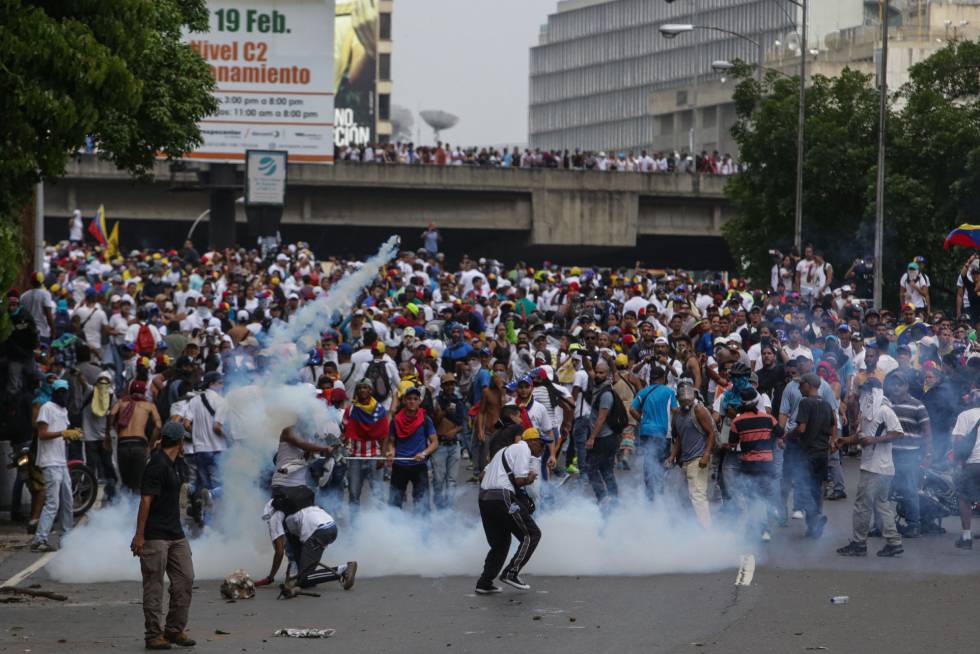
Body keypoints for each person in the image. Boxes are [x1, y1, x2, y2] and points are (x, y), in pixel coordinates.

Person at [131, 422, 196, 650]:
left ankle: (174, 630)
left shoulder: (176, 463)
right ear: (178, 442)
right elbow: (146, 501)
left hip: (176, 534)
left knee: (185, 579)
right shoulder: (157, 465)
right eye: (184, 440)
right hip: (155, 535)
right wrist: (139, 536)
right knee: (154, 586)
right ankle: (153, 635)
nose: (185, 444)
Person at [836, 378, 905, 558]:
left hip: (877, 467)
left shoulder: (884, 409)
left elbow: (898, 432)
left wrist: (874, 440)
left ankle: (859, 544)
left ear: (873, 392)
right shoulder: (867, 412)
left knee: (862, 505)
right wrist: (844, 440)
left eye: (864, 392)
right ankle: (894, 542)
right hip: (876, 466)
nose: (861, 395)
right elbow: (862, 437)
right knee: (882, 504)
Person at [475, 427, 545, 594]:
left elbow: (481, 477)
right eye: (541, 444)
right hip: (502, 497)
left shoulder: (502, 452)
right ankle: (511, 572)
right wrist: (529, 478)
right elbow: (520, 481)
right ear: (532, 441)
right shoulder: (523, 449)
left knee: (500, 544)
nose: (542, 449)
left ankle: (484, 583)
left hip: (485, 498)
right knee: (532, 534)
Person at [31, 379, 79, 552]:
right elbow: (42, 434)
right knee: (53, 502)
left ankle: (67, 535)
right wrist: (62, 433)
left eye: (65, 391)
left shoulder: (63, 410)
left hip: (61, 461)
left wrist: (71, 435)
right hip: (49, 461)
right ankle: (39, 538)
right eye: (60, 391)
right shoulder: (47, 408)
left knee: (68, 500)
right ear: (54, 392)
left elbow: (61, 435)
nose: (63, 394)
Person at [728, 388, 782, 541]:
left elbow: (732, 444)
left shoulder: (737, 421)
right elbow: (781, 433)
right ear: (758, 402)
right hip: (766, 463)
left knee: (752, 497)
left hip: (748, 465)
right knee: (765, 496)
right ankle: (767, 525)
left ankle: (756, 528)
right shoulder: (769, 418)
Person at [884, 370, 932, 538]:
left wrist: (927, 455)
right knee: (884, 492)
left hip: (909, 456)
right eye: (893, 384)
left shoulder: (917, 405)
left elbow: (927, 432)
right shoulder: (887, 405)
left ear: (906, 386)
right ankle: (882, 525)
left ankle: (913, 525)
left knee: (909, 491)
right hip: (889, 455)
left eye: (900, 384)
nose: (896, 387)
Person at [787, 373, 835, 539]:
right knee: (816, 489)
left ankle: (815, 516)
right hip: (822, 453)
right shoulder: (827, 405)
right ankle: (813, 528)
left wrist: (787, 436)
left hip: (807, 453)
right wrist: (831, 442)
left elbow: (801, 429)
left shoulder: (805, 402)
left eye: (801, 384)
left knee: (802, 487)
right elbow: (832, 428)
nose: (799, 388)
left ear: (809, 385)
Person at [279, 503, 357, 597]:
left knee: (304, 579)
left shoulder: (287, 520)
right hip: (332, 528)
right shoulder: (306, 506)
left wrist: (292, 575)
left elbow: (293, 548)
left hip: (319, 532)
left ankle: (343, 570)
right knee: (307, 575)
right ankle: (312, 577)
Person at [667, 382, 715, 529]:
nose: (686, 402)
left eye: (689, 399)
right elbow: (680, 438)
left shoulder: (699, 410)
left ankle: (706, 531)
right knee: (684, 496)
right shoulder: (677, 415)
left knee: (697, 495)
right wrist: (672, 456)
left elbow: (711, 432)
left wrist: (706, 455)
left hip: (698, 459)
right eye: (683, 400)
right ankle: (691, 527)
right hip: (685, 461)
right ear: (678, 399)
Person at [629, 366, 678, 501]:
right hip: (663, 433)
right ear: (663, 379)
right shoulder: (669, 392)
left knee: (649, 460)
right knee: (661, 463)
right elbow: (675, 410)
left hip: (645, 432)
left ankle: (649, 494)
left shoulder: (644, 391)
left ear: (651, 378)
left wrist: (641, 419)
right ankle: (659, 493)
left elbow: (632, 409)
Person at [386, 386, 437, 510]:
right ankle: (393, 528)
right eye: (409, 399)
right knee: (395, 503)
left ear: (419, 401)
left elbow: (434, 443)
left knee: (422, 503)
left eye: (415, 399)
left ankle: (422, 528)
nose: (412, 401)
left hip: (418, 465)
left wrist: (423, 453)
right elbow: (391, 442)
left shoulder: (425, 419)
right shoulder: (396, 420)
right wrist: (391, 452)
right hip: (399, 465)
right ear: (404, 401)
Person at [342, 379, 389, 513]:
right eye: (360, 388)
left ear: (371, 390)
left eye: (365, 388)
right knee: (353, 494)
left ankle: (381, 525)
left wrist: (382, 456)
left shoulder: (379, 410)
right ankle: (354, 527)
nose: (363, 390)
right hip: (355, 457)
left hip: (375, 456)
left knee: (378, 495)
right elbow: (346, 433)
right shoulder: (350, 410)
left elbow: (385, 435)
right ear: (356, 391)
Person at [110, 380, 162, 493]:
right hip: (139, 445)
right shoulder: (149, 405)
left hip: (122, 444)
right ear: (144, 392)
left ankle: (122, 508)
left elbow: (112, 414)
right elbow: (158, 426)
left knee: (126, 484)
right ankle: (136, 510)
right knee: (138, 484)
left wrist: (111, 431)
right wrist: (151, 445)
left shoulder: (121, 402)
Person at [584, 360, 620, 504]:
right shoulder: (598, 385)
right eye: (596, 372)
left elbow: (601, 418)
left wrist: (592, 437)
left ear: (608, 375)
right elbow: (588, 368)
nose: (597, 375)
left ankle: (604, 497)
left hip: (604, 439)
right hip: (602, 438)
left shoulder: (606, 394)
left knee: (593, 470)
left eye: (601, 373)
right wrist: (584, 354)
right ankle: (612, 499)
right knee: (605, 471)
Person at [950, 390, 980, 549]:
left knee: (964, 498)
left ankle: (966, 537)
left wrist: (957, 463)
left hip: (972, 463)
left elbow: (958, 441)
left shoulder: (965, 415)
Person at [431, 373, 464, 510]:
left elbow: (462, 424)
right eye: (447, 384)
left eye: (452, 384)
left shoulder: (458, 401)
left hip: (454, 444)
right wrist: (444, 412)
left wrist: (454, 432)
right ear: (442, 386)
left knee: (451, 480)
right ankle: (439, 506)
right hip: (440, 444)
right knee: (438, 480)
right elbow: (433, 421)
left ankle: (448, 508)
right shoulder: (436, 401)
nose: (450, 386)